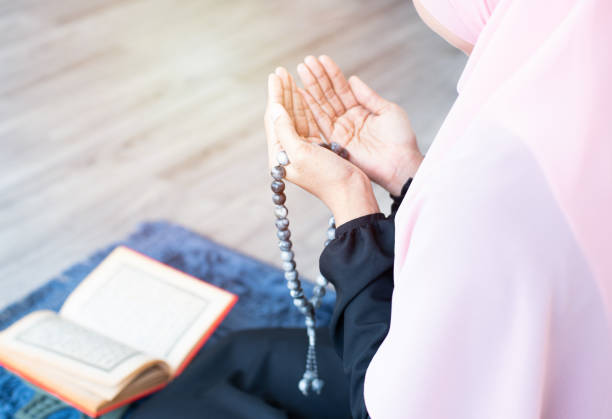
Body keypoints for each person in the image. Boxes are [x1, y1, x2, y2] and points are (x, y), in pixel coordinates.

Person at [130, 0, 612, 417]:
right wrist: (408, 174)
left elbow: (380, 407)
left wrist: (351, 204)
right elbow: (516, 256)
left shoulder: (493, 174)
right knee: (241, 358)